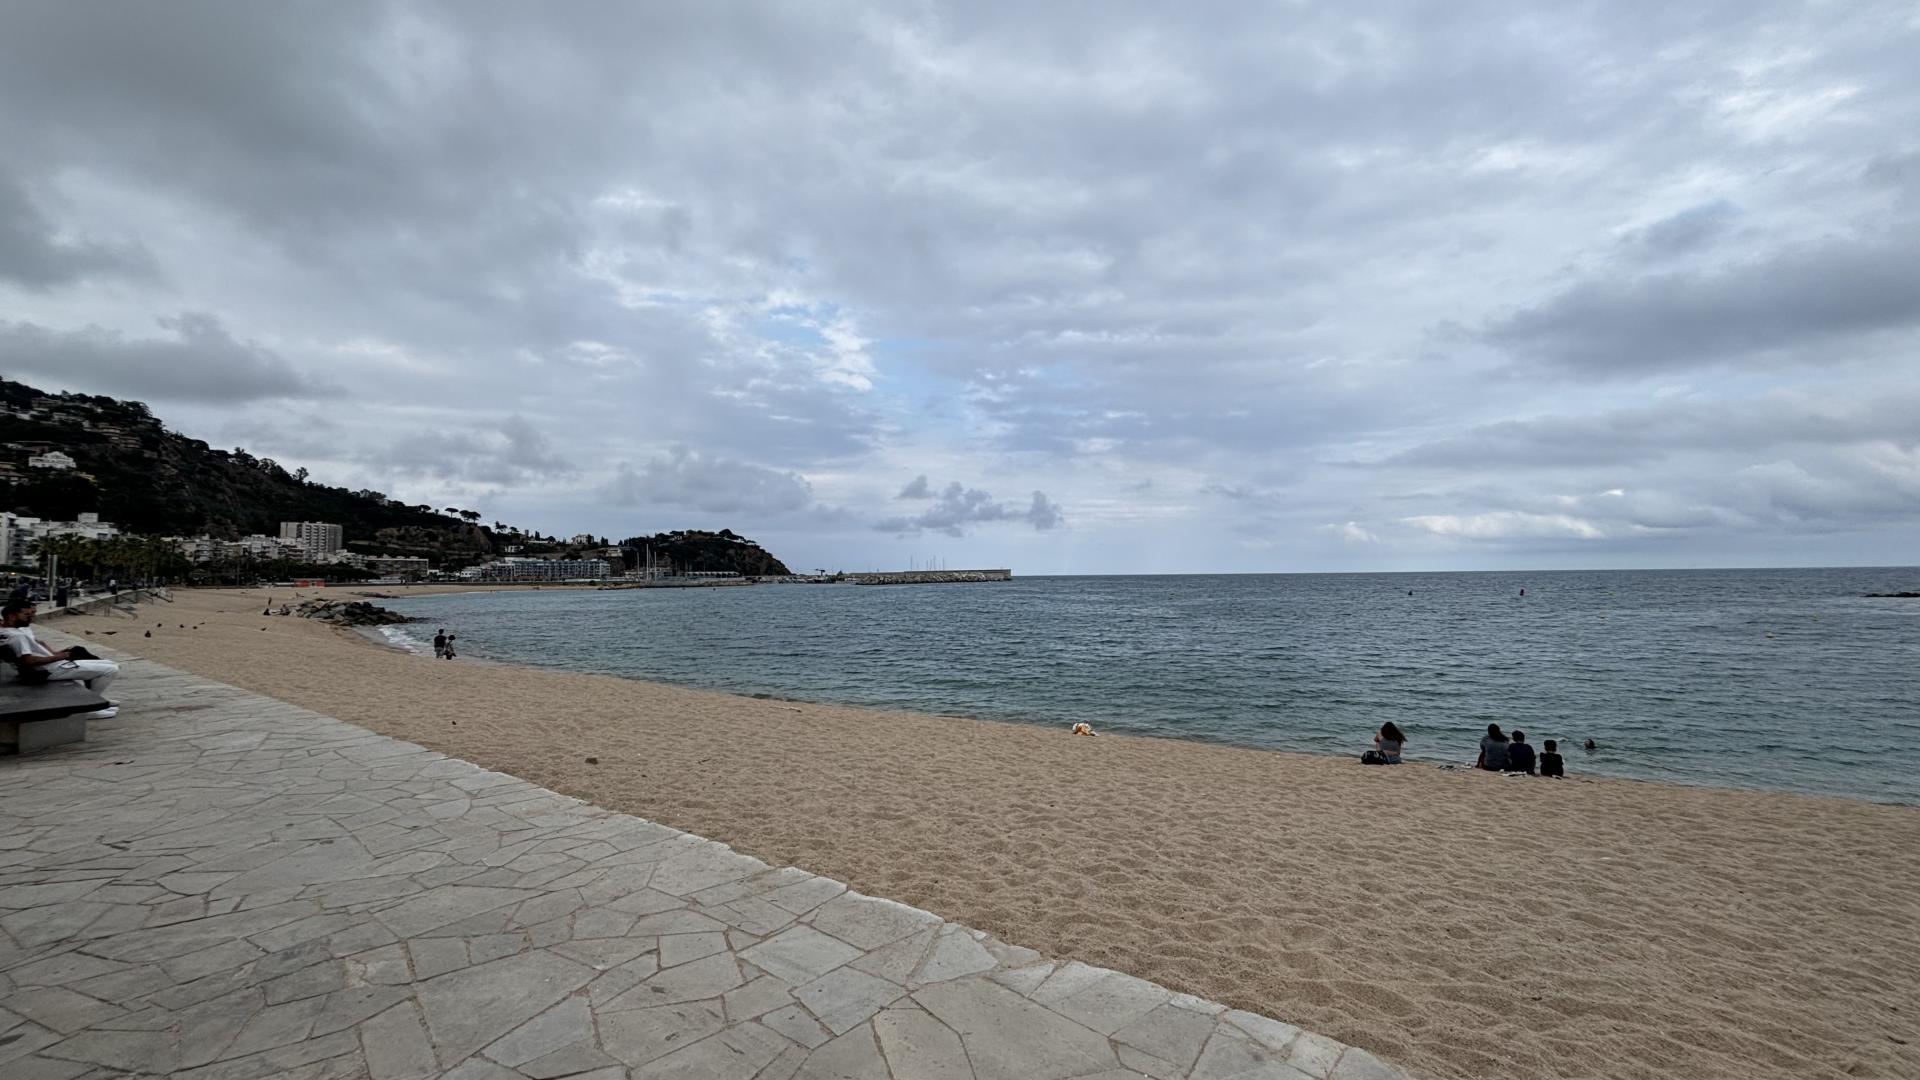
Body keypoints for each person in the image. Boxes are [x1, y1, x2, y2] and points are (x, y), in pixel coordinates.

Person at [0, 600, 119, 719]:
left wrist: (55, 655)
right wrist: (59, 656)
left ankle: (96, 700)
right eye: (26, 615)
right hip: (49, 670)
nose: (31, 618)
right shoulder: (18, 636)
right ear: (11, 616)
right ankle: (90, 708)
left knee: (110, 664)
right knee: (111, 670)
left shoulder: (6, 632)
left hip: (47, 668)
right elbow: (28, 661)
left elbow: (35, 647)